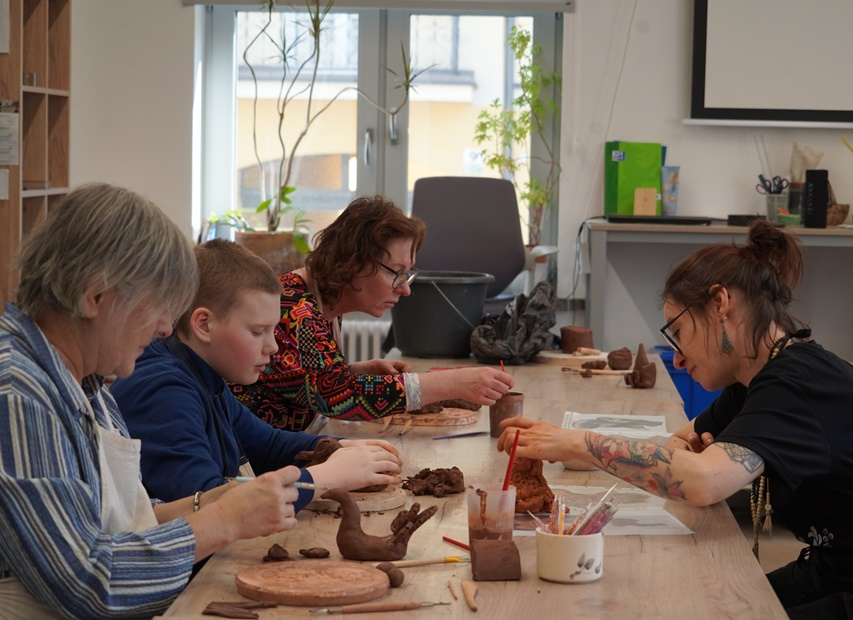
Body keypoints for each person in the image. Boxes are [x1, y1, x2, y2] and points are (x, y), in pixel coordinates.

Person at [497, 220, 853, 619]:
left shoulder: (796, 383)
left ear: (721, 303)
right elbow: (674, 447)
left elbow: (703, 482)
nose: (678, 358)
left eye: (679, 333)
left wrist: (580, 443)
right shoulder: (753, 381)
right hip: (841, 569)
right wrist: (566, 445)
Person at [0, 183, 314, 619]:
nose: (166, 328)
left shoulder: (90, 385)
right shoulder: (18, 394)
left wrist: (223, 501)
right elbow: (89, 582)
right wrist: (223, 521)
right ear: (95, 296)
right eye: (158, 306)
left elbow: (124, 524)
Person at [111, 239, 402, 504]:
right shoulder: (164, 393)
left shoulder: (203, 372)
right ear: (204, 325)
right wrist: (326, 477)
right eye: (257, 331)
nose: (273, 347)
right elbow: (208, 506)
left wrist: (340, 448)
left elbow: (268, 445)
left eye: (272, 331)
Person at [231, 195, 515, 432]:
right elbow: (338, 396)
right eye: (396, 273)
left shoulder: (324, 303)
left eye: (408, 273)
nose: (405, 289)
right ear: (354, 263)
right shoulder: (293, 307)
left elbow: (305, 382)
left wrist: (353, 372)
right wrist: (454, 383)